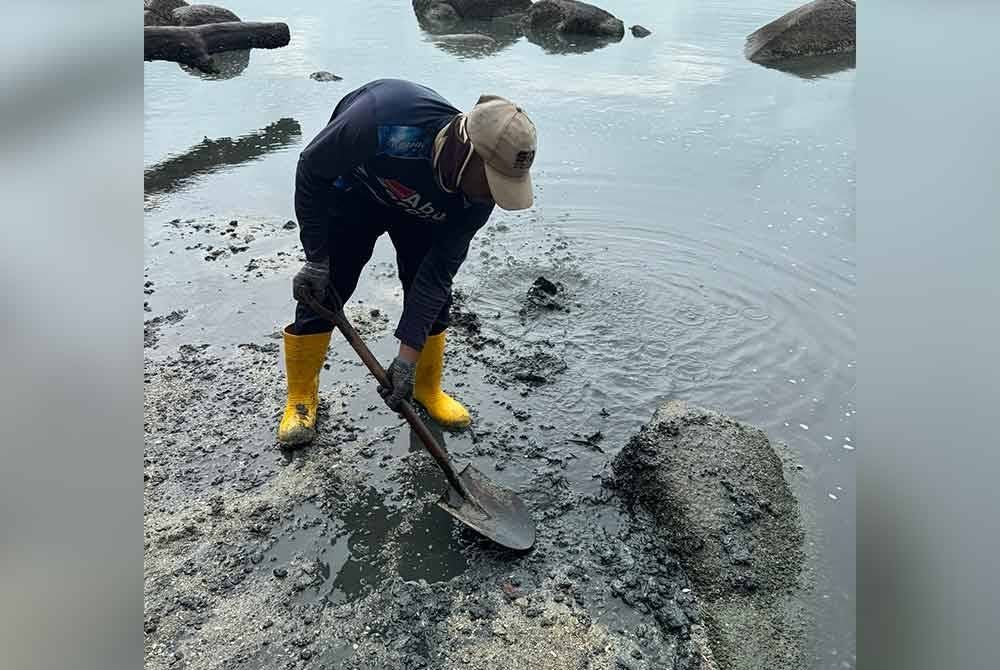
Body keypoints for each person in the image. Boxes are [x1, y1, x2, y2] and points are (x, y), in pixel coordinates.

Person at [278, 78, 538, 446]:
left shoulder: (476, 200)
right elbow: (312, 170)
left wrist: (406, 361)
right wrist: (316, 257)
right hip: (354, 193)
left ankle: (427, 389)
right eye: (491, 181)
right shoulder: (379, 121)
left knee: (433, 297)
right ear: (465, 151)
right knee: (326, 289)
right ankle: (301, 399)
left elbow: (436, 277)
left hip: (422, 213)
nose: (492, 196)